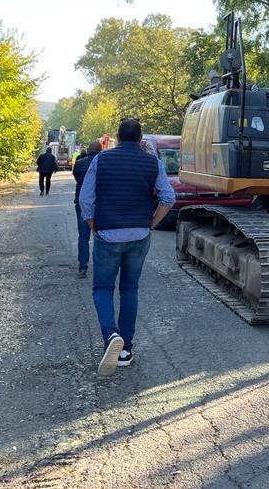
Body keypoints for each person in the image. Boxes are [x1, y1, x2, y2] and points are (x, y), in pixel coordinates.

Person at [79, 118, 174, 376]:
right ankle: (125, 350)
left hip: (107, 234)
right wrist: (152, 223)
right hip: (139, 234)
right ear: (140, 139)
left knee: (102, 288)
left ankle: (111, 335)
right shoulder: (153, 163)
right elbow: (168, 197)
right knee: (130, 288)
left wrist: (92, 226)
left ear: (118, 138)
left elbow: (86, 198)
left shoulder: (101, 160)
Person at [72, 140, 103, 278]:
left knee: (83, 236)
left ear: (89, 150)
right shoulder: (104, 164)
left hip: (82, 203)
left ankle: (82, 267)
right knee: (101, 236)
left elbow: (77, 178)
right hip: (100, 204)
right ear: (100, 150)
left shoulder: (79, 164)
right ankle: (101, 266)